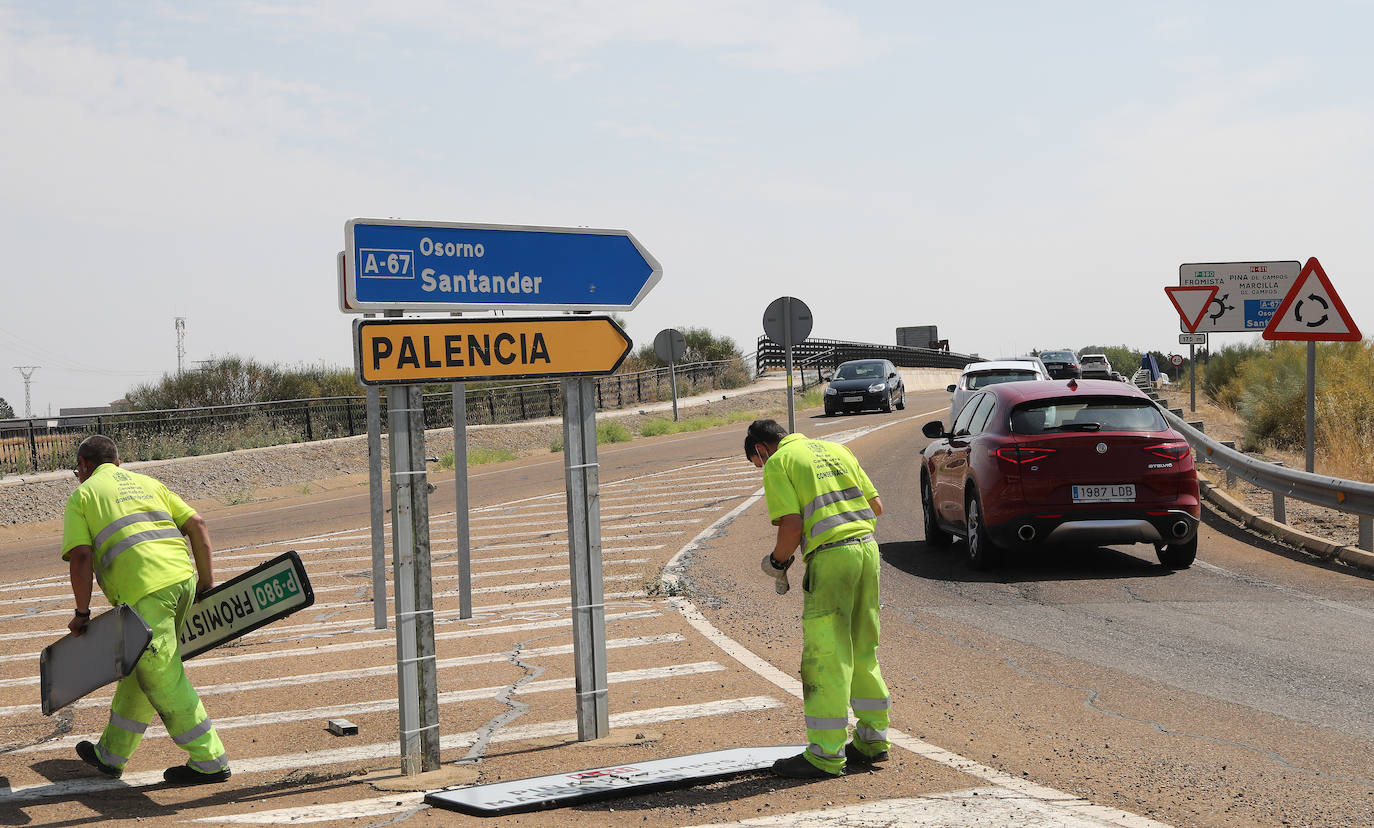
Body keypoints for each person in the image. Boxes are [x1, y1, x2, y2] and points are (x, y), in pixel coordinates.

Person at [63, 435, 231, 785]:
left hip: (145, 594)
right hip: (181, 581)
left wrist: (82, 613)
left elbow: (81, 556)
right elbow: (197, 525)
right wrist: (206, 581)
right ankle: (111, 754)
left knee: (161, 674)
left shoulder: (84, 494)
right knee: (142, 667)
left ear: (84, 466)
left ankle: (210, 759)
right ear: (118, 463)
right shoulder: (148, 482)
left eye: (77, 469)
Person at [744, 419, 890, 778]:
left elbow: (791, 525)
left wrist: (778, 561)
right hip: (868, 552)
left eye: (757, 462)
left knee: (827, 655)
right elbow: (876, 506)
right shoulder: (838, 449)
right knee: (862, 647)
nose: (762, 468)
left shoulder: (780, 462)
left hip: (832, 559)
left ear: (762, 449)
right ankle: (872, 740)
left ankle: (825, 754)